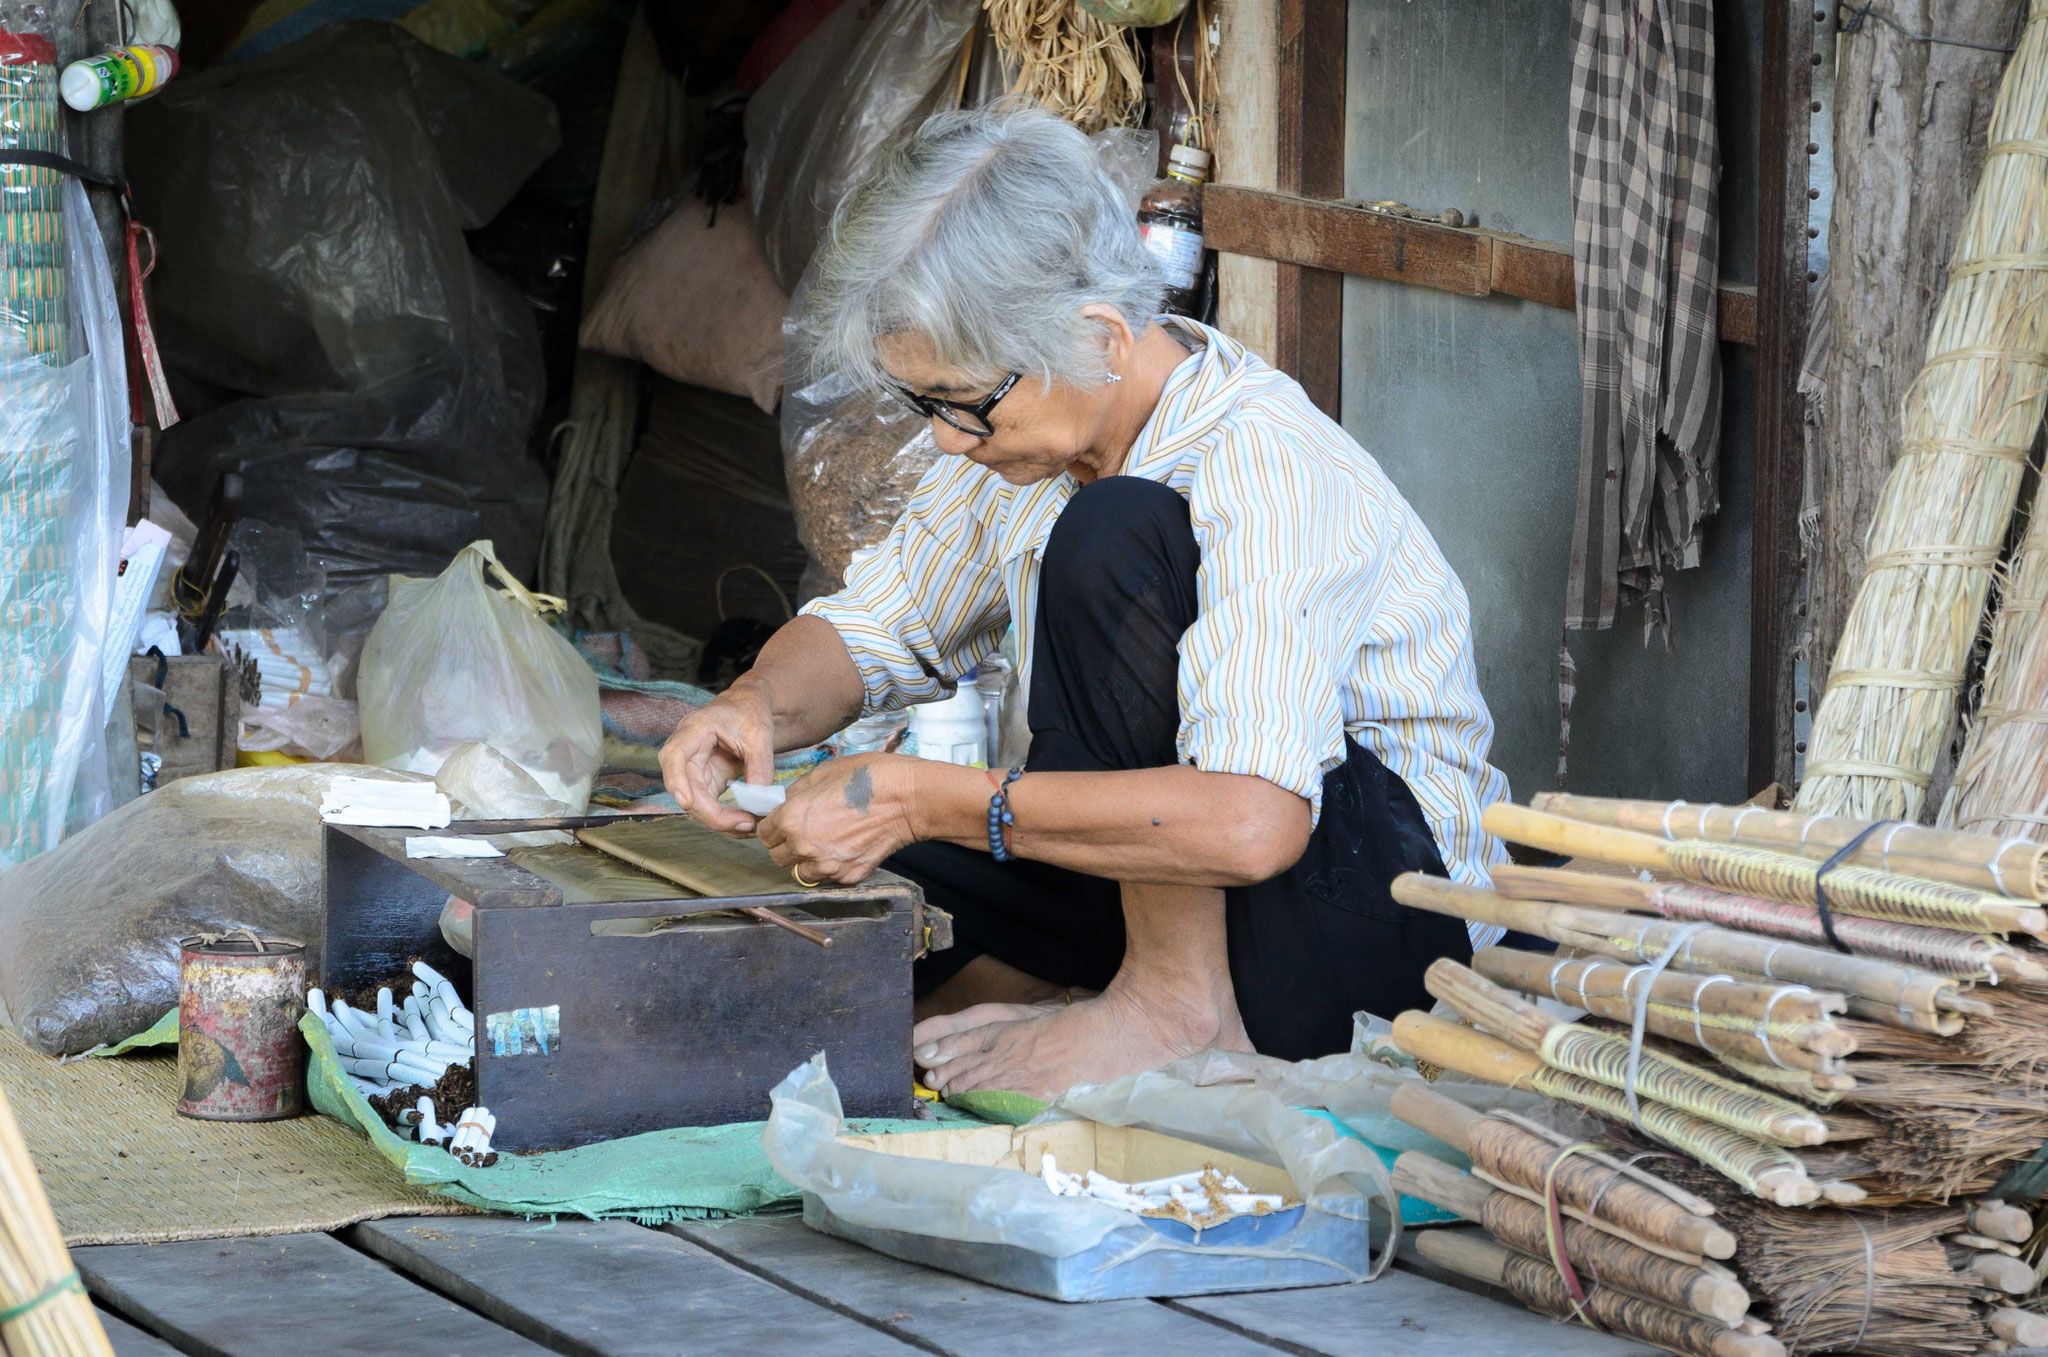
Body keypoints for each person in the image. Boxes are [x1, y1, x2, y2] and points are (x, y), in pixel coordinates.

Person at [659, 102, 1511, 1101]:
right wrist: (750, 706)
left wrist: (926, 798)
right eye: (922, 405)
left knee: (1112, 537)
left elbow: (1252, 824)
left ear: (1099, 337)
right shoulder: (1022, 441)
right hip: (1163, 890)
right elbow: (874, 625)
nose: (942, 438)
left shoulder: (1263, 464)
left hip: (1373, 921)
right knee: (838, 915)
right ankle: (1103, 1000)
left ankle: (1166, 1011)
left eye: (963, 403)